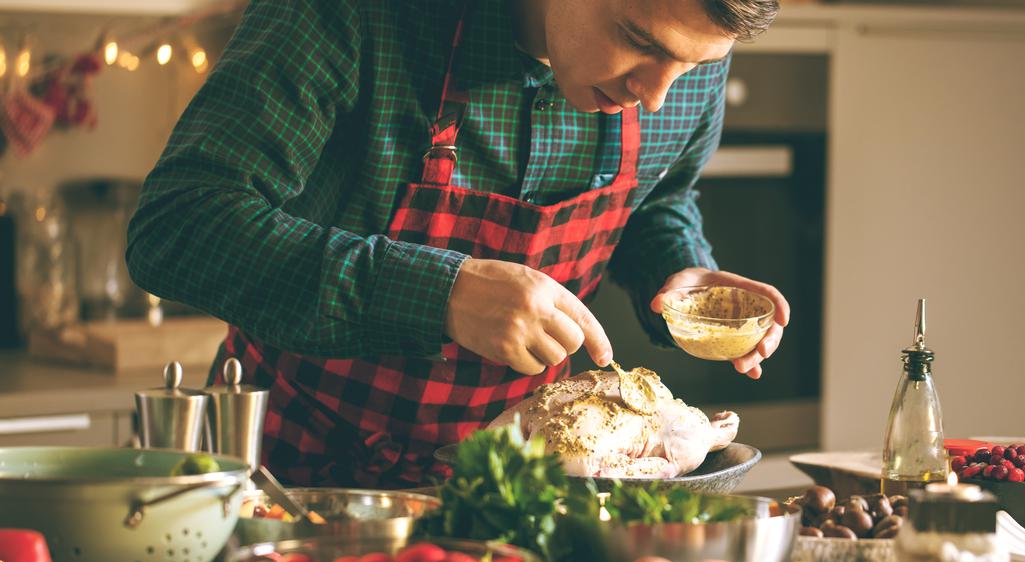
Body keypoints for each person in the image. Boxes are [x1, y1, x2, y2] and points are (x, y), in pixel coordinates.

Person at [126, 0, 789, 488]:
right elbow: (178, 223)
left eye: (699, 63)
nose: (656, 94)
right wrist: (439, 293)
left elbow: (659, 201)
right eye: (636, 38)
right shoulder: (352, 15)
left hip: (513, 493)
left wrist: (677, 268)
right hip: (286, 476)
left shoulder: (678, 69)